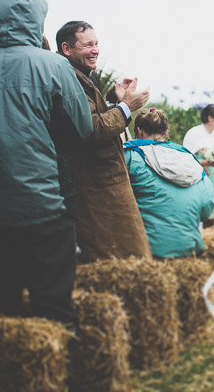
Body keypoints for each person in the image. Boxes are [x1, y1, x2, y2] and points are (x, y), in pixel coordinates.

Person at [0, 0, 93, 324]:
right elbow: (81, 129)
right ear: (36, 21)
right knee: (52, 306)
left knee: (3, 308)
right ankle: (60, 353)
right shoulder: (53, 66)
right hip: (44, 203)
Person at [56, 20, 151, 262]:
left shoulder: (78, 76)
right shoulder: (70, 80)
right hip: (97, 185)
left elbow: (90, 119)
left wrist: (117, 102)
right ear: (66, 49)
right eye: (88, 45)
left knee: (125, 254)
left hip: (103, 181)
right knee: (119, 255)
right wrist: (126, 107)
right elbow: (93, 129)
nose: (95, 50)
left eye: (96, 44)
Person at [124, 109, 214, 258]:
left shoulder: (129, 156)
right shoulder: (189, 159)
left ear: (138, 131)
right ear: (166, 132)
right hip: (189, 249)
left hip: (144, 251)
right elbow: (206, 205)